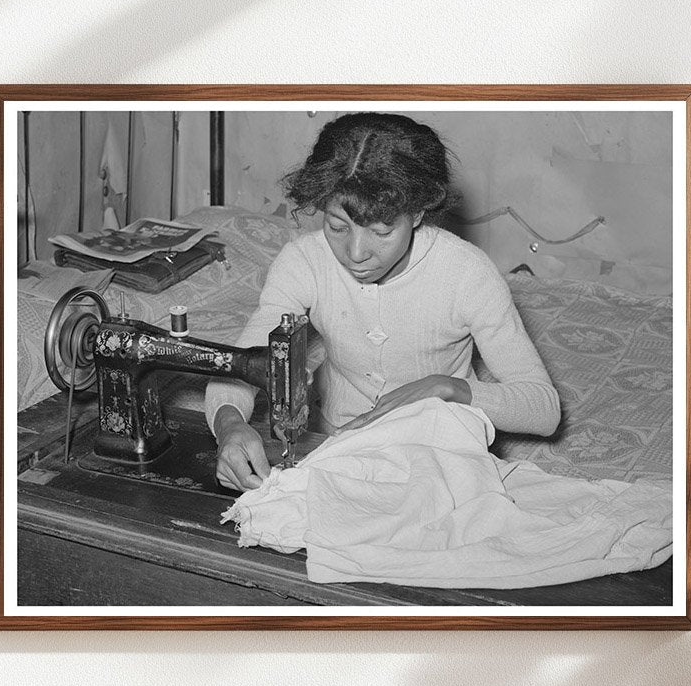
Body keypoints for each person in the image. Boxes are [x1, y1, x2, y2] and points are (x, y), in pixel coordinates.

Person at [205, 112, 561, 492]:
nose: (356, 253)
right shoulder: (305, 261)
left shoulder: (467, 274)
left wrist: (449, 388)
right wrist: (229, 425)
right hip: (336, 442)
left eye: (381, 230)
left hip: (441, 453)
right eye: (337, 227)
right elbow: (241, 364)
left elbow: (543, 408)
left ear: (419, 212)